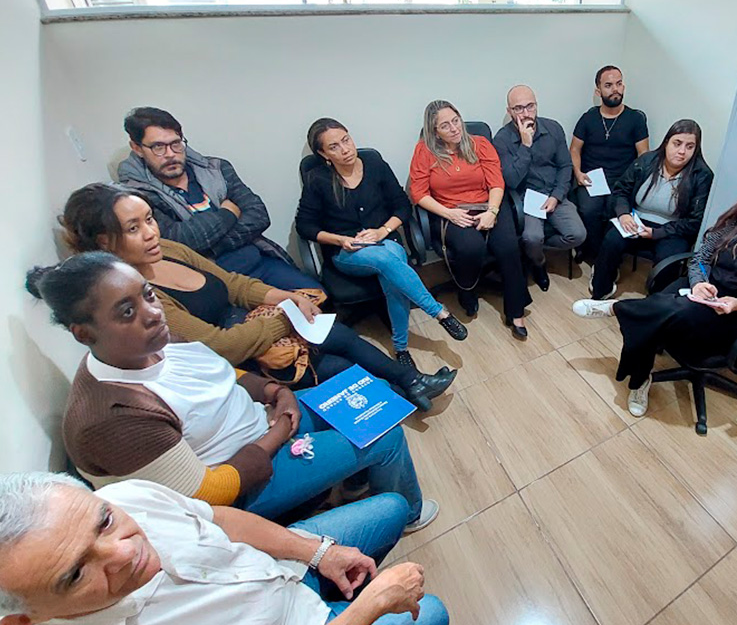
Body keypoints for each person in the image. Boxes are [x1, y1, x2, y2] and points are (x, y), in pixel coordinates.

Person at [25, 253, 439, 530]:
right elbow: (208, 493)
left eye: (148, 295)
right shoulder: (111, 416)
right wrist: (278, 431)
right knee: (384, 433)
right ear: (84, 333)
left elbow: (220, 373)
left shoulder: (149, 343)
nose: (152, 313)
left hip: (263, 424)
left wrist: (273, 390)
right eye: (127, 311)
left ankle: (351, 484)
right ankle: (408, 515)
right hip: (242, 484)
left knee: (370, 396)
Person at [0, 472, 449, 625]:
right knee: (431, 615)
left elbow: (219, 520)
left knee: (391, 507)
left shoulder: (126, 495)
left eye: (104, 522)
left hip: (276, 571)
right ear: (23, 619)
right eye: (76, 573)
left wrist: (316, 552)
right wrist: (370, 608)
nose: (125, 551)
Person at [58, 183, 456, 411]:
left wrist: (287, 297)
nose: (150, 232)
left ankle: (412, 381)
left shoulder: (170, 251)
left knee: (340, 334)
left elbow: (234, 284)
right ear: (104, 242)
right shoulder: (144, 297)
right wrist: (284, 316)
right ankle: (393, 404)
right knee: (336, 366)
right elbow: (219, 347)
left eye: (149, 219)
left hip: (252, 322)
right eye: (134, 228)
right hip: (238, 355)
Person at [572, 162, 737, 418]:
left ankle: (618, 309)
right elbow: (701, 259)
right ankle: (641, 377)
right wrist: (699, 282)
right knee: (660, 310)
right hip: (704, 291)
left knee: (663, 312)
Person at [298, 118, 468, 368]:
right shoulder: (318, 179)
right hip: (348, 251)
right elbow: (305, 226)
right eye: (334, 147)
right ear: (323, 154)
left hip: (386, 239)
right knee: (388, 260)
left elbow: (402, 205)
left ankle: (401, 348)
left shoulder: (375, 164)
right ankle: (438, 312)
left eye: (346, 140)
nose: (345, 149)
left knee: (390, 267)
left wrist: (382, 231)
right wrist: (340, 239)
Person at [118, 106, 318, 291]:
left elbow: (258, 215)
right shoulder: (136, 195)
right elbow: (179, 242)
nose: (170, 154)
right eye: (158, 147)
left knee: (317, 296)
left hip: (260, 261)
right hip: (213, 279)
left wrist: (211, 247)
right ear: (137, 148)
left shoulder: (216, 168)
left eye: (176, 144)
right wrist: (228, 213)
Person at [409, 100, 533, 339]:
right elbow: (419, 193)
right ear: (435, 131)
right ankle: (466, 288)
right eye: (445, 126)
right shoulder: (424, 151)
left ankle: (516, 311)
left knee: (508, 248)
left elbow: (496, 182)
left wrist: (492, 212)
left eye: (456, 121)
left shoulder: (480, 144)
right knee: (471, 247)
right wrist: (449, 214)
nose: (454, 128)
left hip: (488, 204)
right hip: (451, 210)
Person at [588, 119, 713, 300]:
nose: (682, 151)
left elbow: (695, 221)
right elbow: (621, 190)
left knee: (668, 259)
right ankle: (601, 291)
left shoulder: (702, 175)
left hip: (672, 229)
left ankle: (655, 302)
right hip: (636, 219)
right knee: (611, 241)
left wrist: (656, 233)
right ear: (666, 142)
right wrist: (623, 214)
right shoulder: (646, 161)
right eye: (677, 143)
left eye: (689, 146)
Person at [492, 84, 586, 291]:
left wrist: (557, 196)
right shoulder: (502, 139)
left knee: (578, 234)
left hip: (554, 193)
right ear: (509, 111)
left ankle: (533, 249)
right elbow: (511, 180)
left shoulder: (553, 128)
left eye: (530, 106)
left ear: (536, 105)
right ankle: (538, 262)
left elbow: (565, 166)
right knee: (532, 237)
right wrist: (525, 145)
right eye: (518, 108)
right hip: (527, 199)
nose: (526, 113)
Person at [569, 65, 649, 264]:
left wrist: (634, 182)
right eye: (608, 85)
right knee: (589, 210)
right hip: (591, 178)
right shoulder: (588, 118)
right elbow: (574, 149)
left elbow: (644, 155)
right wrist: (578, 173)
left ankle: (607, 258)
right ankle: (593, 254)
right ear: (598, 91)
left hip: (622, 180)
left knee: (615, 209)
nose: (615, 89)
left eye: (619, 84)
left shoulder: (635, 119)